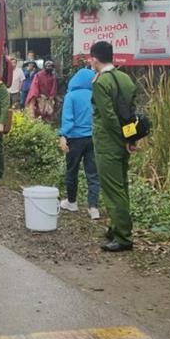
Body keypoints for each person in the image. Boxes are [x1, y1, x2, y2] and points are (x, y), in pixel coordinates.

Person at [89, 41, 136, 253]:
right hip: (124, 140)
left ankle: (123, 237)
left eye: (90, 59)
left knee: (112, 189)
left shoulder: (101, 82)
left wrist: (119, 138)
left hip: (108, 142)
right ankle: (116, 227)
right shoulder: (125, 78)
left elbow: (107, 117)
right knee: (122, 185)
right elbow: (131, 113)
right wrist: (129, 139)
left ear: (95, 59)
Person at [58, 68, 101, 220]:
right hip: (93, 139)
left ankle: (72, 202)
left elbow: (68, 119)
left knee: (72, 171)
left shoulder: (71, 96)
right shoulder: (96, 95)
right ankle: (93, 208)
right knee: (93, 174)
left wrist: (63, 135)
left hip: (74, 139)